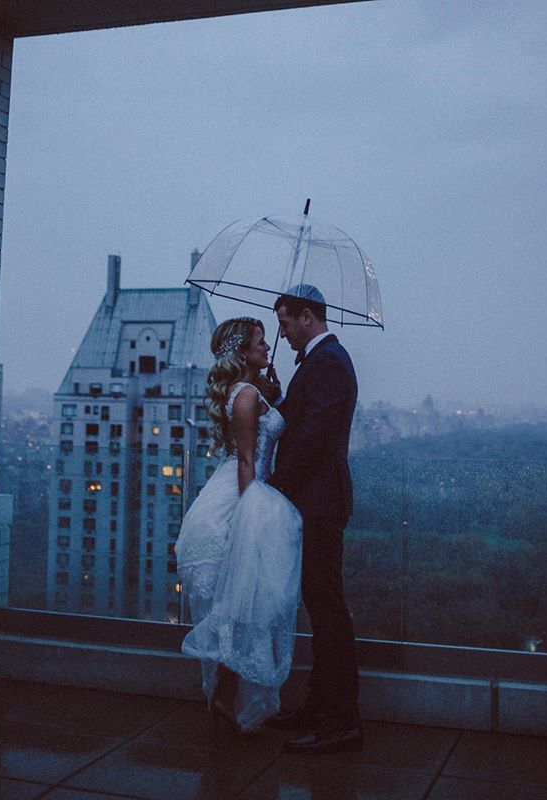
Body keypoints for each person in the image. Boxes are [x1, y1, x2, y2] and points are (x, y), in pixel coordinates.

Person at [175, 317, 302, 734]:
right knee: (244, 600)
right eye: (261, 343)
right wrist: (253, 520)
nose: (268, 347)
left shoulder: (251, 393)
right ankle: (228, 699)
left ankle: (227, 699)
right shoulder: (246, 395)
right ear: (243, 354)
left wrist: (275, 398)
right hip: (240, 496)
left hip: (240, 488)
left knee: (244, 603)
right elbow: (248, 460)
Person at [268, 285, 362, 753]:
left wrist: (278, 483)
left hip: (320, 503)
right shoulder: (321, 362)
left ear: (307, 317)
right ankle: (320, 707)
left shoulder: (327, 362)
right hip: (317, 502)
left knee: (327, 611)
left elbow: (314, 436)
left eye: (285, 323)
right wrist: (273, 391)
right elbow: (297, 417)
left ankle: (341, 720)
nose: (281, 334)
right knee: (321, 608)